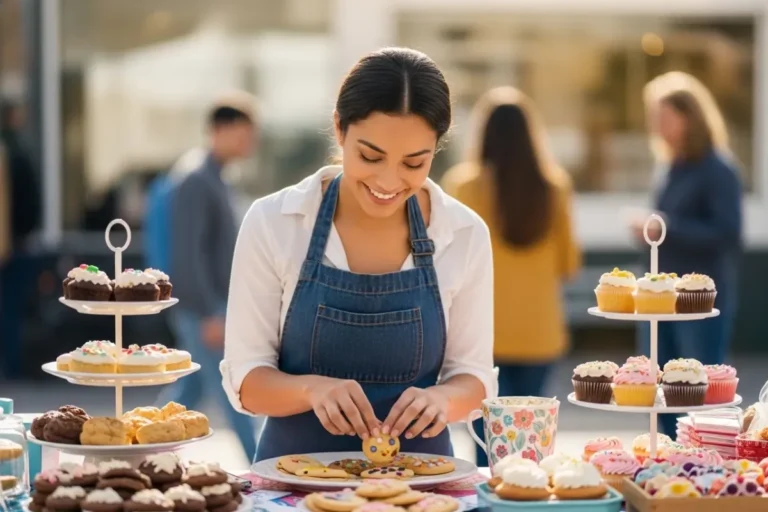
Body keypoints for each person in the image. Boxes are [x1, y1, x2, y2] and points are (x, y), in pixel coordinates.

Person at [221, 47, 497, 462]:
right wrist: (312, 390)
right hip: (291, 485)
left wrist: (443, 399)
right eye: (370, 156)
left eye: (414, 163)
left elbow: (473, 378)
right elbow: (247, 381)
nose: (389, 180)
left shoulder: (463, 233)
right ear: (339, 129)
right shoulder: (275, 222)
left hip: (422, 486)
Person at [442, 87, 581, 466]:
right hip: (540, 333)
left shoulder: (463, 186)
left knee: (488, 441)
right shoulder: (555, 187)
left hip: (484, 334)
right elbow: (569, 265)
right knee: (531, 441)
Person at [632, 72, 743, 436]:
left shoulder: (718, 169)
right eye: (654, 118)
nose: (657, 127)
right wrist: (650, 231)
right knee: (660, 387)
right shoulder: (670, 165)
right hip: (661, 299)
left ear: (690, 117)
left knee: (697, 391)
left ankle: (702, 468)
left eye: (664, 117)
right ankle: (669, 459)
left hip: (698, 303)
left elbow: (728, 232)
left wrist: (666, 226)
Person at [157, 92, 258, 460]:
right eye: (245, 132)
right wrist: (207, 314)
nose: (251, 141)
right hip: (205, 308)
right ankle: (264, 465)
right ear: (221, 129)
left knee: (188, 394)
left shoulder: (216, 177)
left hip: (212, 306)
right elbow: (187, 254)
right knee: (235, 393)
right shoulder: (197, 179)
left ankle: (139, 454)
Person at [0, 101, 40, 379]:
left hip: (11, 244)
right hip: (12, 247)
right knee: (9, 313)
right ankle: (11, 367)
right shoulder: (15, 152)